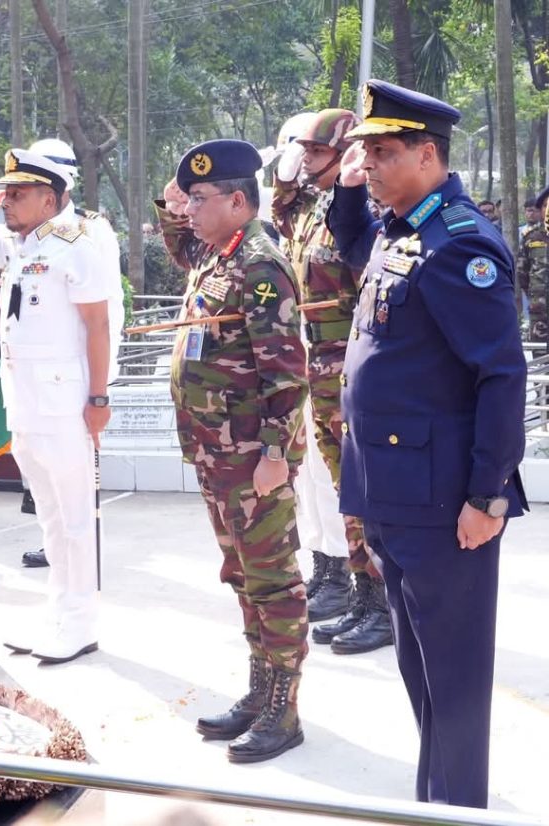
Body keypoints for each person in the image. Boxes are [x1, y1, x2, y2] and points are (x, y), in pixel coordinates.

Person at [326, 79, 528, 807]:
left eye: (381, 153)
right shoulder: (400, 227)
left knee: (456, 678)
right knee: (421, 670)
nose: (369, 165)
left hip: (446, 502)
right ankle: (436, 801)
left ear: (428, 154)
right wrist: (350, 190)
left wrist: (487, 495)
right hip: (394, 492)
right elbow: (351, 245)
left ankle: (461, 808)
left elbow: (502, 376)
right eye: (364, 153)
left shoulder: (460, 244)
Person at [157, 140, 309, 763]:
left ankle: (285, 709)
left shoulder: (261, 266)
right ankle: (258, 692)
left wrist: (276, 453)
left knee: (274, 582)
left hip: (252, 457)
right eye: (188, 198)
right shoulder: (217, 256)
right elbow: (177, 235)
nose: (189, 209)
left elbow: (286, 372)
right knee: (242, 576)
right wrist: (175, 200)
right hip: (216, 453)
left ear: (238, 200)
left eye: (200, 198)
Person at [0, 149, 112, 664]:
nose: (8, 201)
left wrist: (99, 396)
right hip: (25, 398)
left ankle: (81, 621)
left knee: (75, 517)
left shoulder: (76, 247)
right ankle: (59, 611)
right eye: (6, 193)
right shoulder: (19, 245)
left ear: (48, 198)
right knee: (49, 515)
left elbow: (98, 326)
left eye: (18, 193)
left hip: (64, 400)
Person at [271, 110, 392, 654]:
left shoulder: (361, 212)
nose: (307, 162)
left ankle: (380, 602)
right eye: (304, 154)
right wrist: (284, 174)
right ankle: (359, 594)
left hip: (350, 367)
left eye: (315, 154)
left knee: (362, 490)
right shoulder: (312, 209)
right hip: (317, 369)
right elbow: (282, 215)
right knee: (342, 492)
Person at [518, 185, 549, 344]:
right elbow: (522, 272)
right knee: (540, 356)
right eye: (545, 205)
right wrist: (536, 295)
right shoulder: (531, 237)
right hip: (540, 309)